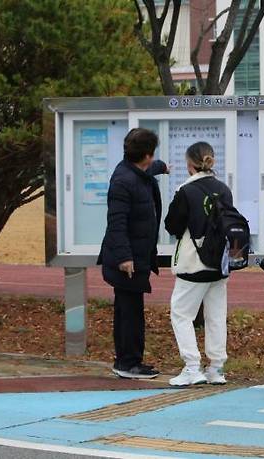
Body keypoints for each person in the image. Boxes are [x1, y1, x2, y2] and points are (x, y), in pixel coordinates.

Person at [98, 128, 169, 379]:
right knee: (130, 313)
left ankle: (126, 360)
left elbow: (149, 170)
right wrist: (125, 258)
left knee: (129, 309)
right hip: (127, 259)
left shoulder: (135, 170)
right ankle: (128, 363)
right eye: (153, 156)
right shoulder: (123, 182)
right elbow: (116, 223)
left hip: (137, 255)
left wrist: (162, 166)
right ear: (147, 155)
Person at [164, 142, 232, 386]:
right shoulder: (224, 189)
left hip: (193, 262)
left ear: (190, 163)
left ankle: (192, 367)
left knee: (181, 314)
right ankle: (216, 368)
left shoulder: (186, 190)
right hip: (219, 263)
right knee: (216, 315)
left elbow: (172, 225)